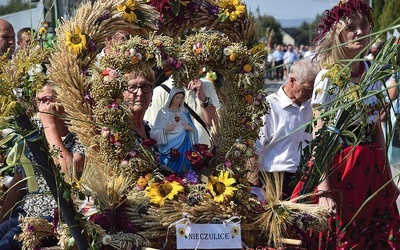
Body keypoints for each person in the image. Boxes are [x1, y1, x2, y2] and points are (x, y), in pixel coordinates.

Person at [294, 0, 400, 249]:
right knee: (342, 236)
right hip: (339, 169)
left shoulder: (372, 71)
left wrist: (387, 177)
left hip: (371, 169)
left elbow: (377, 130)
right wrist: (324, 190)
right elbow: (319, 137)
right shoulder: (327, 77)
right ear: (337, 34)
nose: (360, 32)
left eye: (364, 26)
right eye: (352, 27)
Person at [0, 82, 85, 248]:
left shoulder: (79, 135)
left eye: (48, 100)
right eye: (40, 101)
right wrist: (2, 219)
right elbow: (18, 183)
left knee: (8, 243)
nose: (43, 106)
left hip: (54, 215)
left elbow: (69, 172)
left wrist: (50, 125)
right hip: (26, 212)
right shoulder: (33, 135)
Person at [250, 59, 317, 200]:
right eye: (306, 89)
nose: (310, 94)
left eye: (313, 90)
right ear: (292, 81)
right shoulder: (269, 106)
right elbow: (253, 148)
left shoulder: (312, 106)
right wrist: (254, 185)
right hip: (273, 180)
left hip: (304, 179)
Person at [144, 76, 220, 146]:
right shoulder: (160, 92)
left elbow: (217, 125)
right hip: (176, 157)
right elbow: (154, 135)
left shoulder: (207, 86)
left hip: (206, 155)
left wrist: (203, 99)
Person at [150, 87, 198, 174]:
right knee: (170, 168)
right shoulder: (163, 112)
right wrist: (165, 130)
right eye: (177, 97)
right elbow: (153, 133)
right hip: (169, 146)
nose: (179, 100)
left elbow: (193, 129)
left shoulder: (184, 112)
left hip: (185, 144)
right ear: (172, 97)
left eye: (181, 98)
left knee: (185, 167)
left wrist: (190, 128)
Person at [122, 69, 155, 142]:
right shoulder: (117, 132)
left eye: (145, 87)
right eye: (132, 87)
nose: (140, 93)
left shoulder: (151, 130)